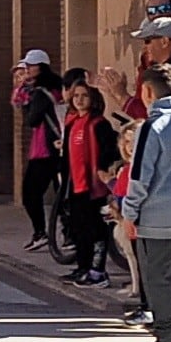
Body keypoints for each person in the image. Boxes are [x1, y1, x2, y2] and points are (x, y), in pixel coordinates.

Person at [119, 63, 171, 342]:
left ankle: (166, 338)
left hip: (155, 214)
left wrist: (129, 212)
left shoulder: (151, 126)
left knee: (157, 279)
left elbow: (140, 174)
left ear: (148, 91)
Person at [61, 74, 120, 287]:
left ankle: (98, 270)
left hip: (95, 188)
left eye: (84, 95)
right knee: (79, 229)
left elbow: (107, 151)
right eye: (75, 96)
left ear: (93, 98)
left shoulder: (99, 124)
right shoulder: (72, 124)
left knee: (96, 230)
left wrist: (103, 174)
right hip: (76, 185)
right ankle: (82, 267)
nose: (79, 100)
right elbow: (67, 157)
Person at [14, 52, 62, 251]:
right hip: (59, 147)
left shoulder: (41, 92)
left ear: (40, 67)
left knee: (30, 193)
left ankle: (40, 232)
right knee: (61, 192)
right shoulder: (57, 87)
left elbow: (32, 120)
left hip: (44, 149)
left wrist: (28, 101)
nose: (27, 71)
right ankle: (68, 235)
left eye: (30, 67)